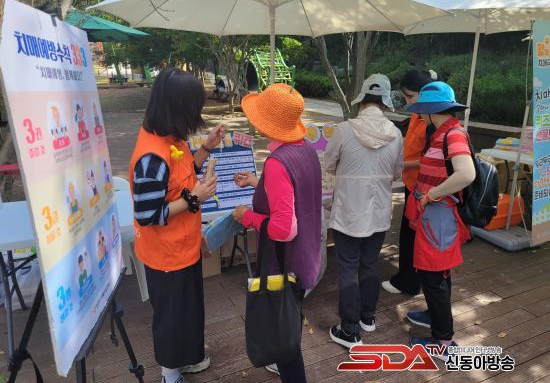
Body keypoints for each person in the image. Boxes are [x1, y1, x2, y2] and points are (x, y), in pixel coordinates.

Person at [129, 68, 224, 383]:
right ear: (178, 109)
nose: (197, 117)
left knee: (188, 310)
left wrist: (206, 148)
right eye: (193, 110)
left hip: (184, 246)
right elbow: (148, 213)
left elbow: (180, 176)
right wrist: (195, 198)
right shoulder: (151, 158)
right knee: (172, 318)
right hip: (166, 256)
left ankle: (188, 359)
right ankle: (170, 374)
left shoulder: (171, 137)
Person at [232, 83, 322, 383]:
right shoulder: (305, 149)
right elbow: (293, 193)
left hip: (285, 261)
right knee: (290, 322)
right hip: (307, 253)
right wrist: (257, 182)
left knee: (285, 336)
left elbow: (284, 229)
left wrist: (248, 217)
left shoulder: (276, 163)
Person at [324, 74, 404, 348]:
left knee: (347, 267)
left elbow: (329, 164)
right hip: (379, 211)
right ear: (385, 103)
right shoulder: (396, 134)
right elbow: (397, 172)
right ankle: (368, 317)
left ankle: (349, 330)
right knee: (370, 264)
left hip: (348, 211)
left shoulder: (344, 130)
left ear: (362, 101)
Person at [404, 81, 475, 360]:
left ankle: (443, 341)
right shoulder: (442, 133)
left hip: (439, 216)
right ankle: (434, 315)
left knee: (435, 275)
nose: (420, 114)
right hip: (433, 216)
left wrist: (433, 194)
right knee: (434, 273)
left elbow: (466, 174)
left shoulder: (452, 134)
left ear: (431, 110)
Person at [382, 69, 438, 297]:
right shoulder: (419, 113)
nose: (407, 102)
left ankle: (409, 282)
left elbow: (431, 160)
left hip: (423, 188)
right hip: (412, 182)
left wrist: (402, 164)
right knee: (408, 233)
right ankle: (410, 278)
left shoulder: (434, 119)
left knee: (412, 235)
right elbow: (411, 142)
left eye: (410, 96)